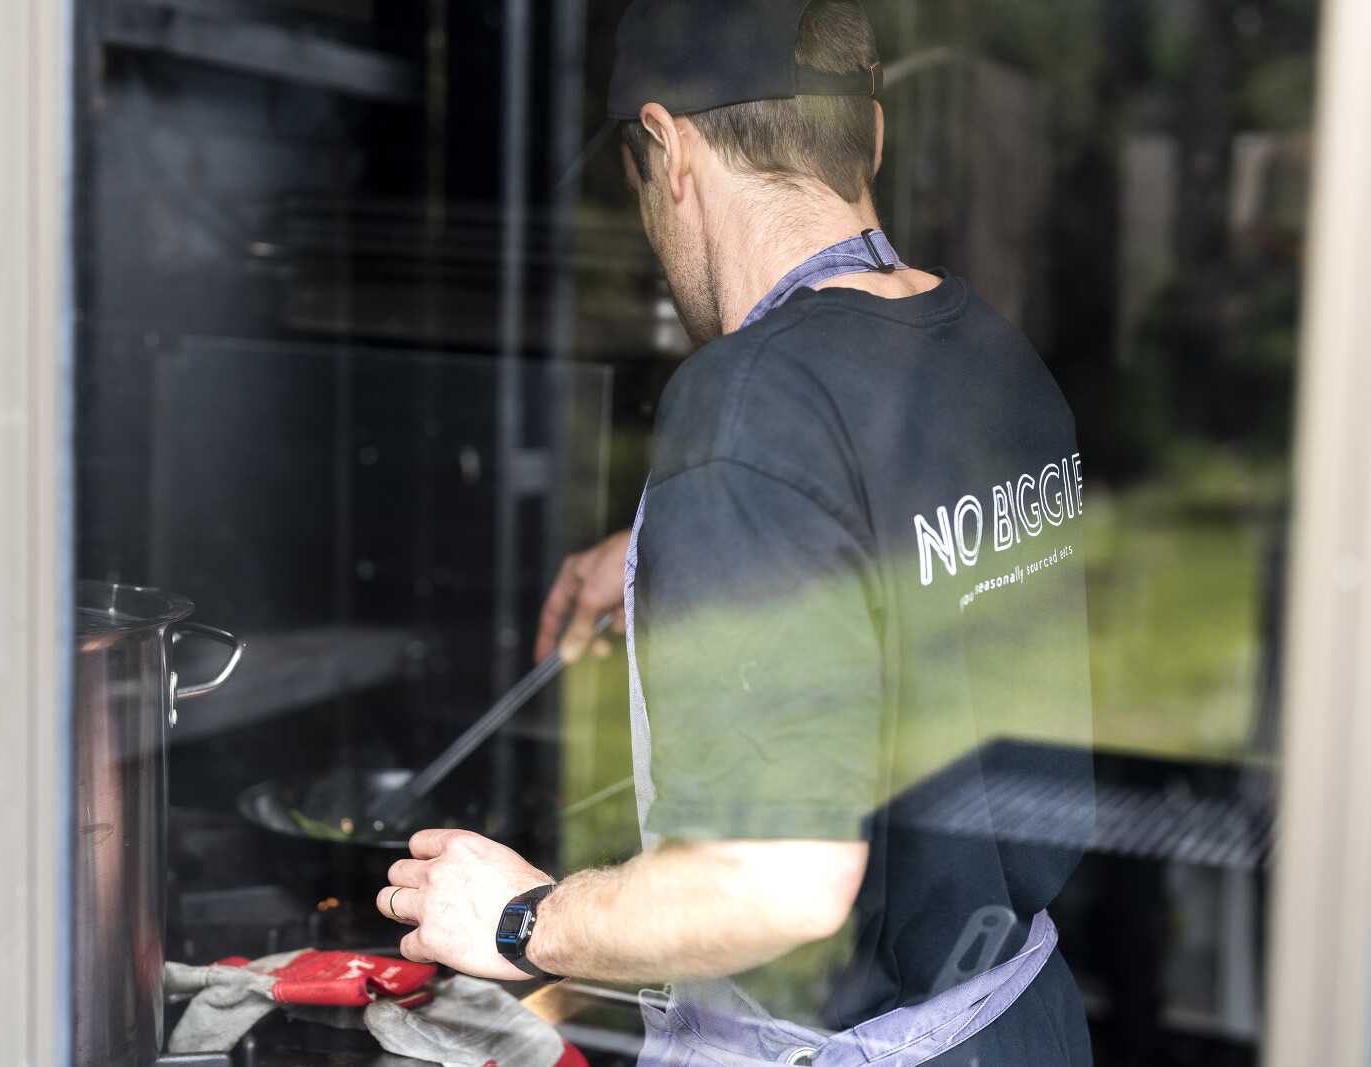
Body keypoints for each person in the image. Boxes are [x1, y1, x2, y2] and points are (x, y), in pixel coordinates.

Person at [377, 2, 1095, 1064]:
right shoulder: (988, 354)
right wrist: (687, 544)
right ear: (871, 134)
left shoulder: (750, 406)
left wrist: (524, 918)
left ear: (667, 149)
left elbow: (776, 880)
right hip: (1021, 1024)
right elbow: (900, 537)